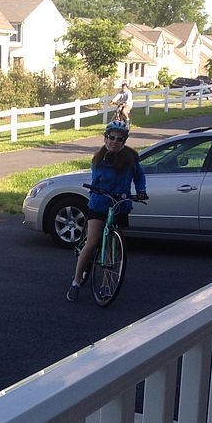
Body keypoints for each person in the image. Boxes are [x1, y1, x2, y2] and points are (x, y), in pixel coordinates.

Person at [67, 120, 148, 302]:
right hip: (100, 203)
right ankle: (76, 282)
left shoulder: (131, 158)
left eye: (119, 139)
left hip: (120, 204)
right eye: (111, 137)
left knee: (114, 249)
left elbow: (139, 175)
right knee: (93, 242)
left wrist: (141, 190)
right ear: (105, 138)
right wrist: (98, 190)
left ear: (124, 141)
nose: (114, 141)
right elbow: (97, 182)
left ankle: (106, 284)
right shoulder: (98, 159)